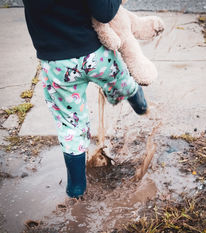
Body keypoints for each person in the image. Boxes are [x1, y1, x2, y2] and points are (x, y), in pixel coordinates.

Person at [22, 0, 148, 198]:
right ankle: (137, 100)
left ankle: (77, 186)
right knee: (119, 79)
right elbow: (104, 12)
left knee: (71, 124)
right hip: (96, 54)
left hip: (57, 65)